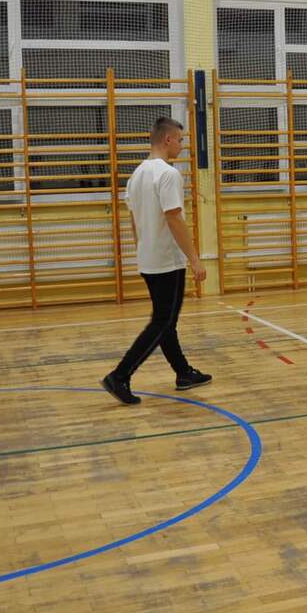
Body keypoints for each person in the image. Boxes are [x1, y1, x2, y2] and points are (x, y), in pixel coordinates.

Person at [102, 117, 211, 405]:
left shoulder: (137, 175)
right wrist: (195, 259)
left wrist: (141, 248)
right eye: (181, 140)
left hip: (149, 258)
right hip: (167, 260)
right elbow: (173, 217)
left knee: (166, 320)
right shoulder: (168, 174)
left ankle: (183, 372)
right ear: (168, 139)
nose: (182, 146)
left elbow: (133, 219)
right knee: (163, 321)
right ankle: (120, 375)